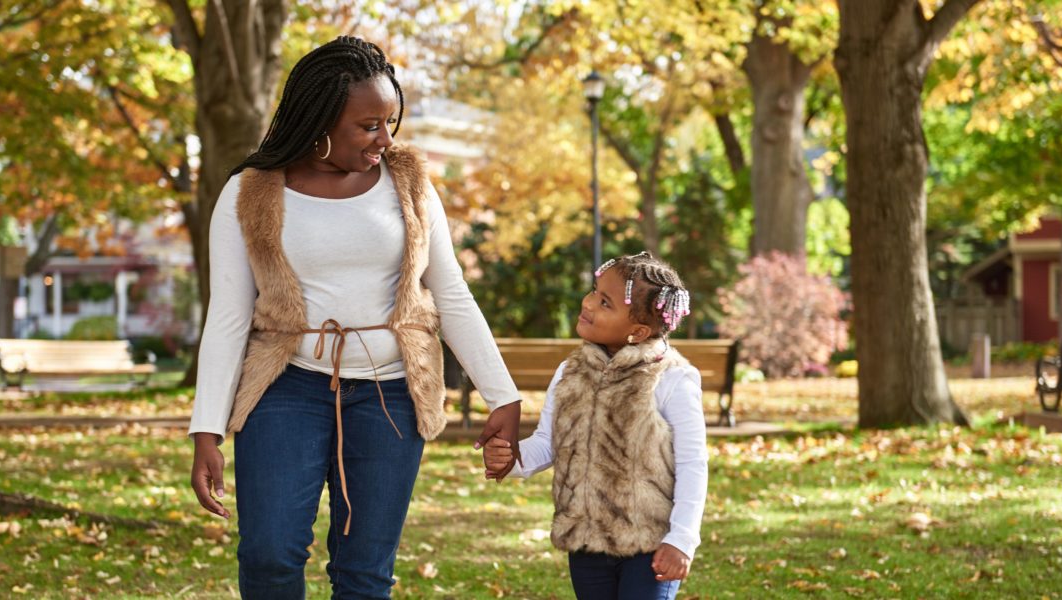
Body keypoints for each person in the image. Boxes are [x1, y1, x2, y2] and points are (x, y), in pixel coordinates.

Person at [187, 36, 522, 599]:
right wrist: (206, 430)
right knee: (269, 554)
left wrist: (503, 395)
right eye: (369, 126)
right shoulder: (248, 192)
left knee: (365, 573)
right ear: (319, 120)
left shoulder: (409, 182)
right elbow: (227, 317)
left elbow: (452, 291)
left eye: (391, 122)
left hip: (391, 395)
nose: (384, 139)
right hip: (284, 388)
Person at [483, 252, 708, 600]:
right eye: (594, 291)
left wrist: (681, 540)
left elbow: (693, 465)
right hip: (586, 543)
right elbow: (549, 441)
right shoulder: (570, 372)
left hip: (649, 545)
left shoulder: (672, 379)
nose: (588, 303)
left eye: (605, 302)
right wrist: (512, 459)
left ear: (637, 331)